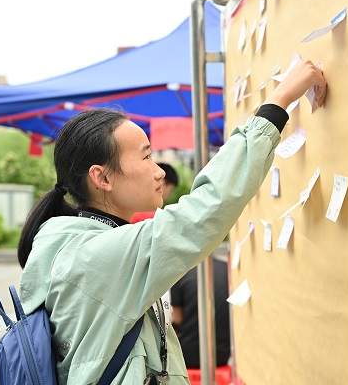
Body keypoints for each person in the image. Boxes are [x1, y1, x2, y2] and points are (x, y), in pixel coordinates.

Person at [16, 59, 326, 384]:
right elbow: (207, 207)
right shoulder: (98, 255)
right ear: (102, 177)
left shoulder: (74, 246)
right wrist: (279, 100)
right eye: (146, 156)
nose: (159, 172)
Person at [170, 257, 231, 369]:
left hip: (188, 355)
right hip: (222, 354)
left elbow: (178, 319)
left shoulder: (180, 272)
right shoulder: (227, 267)